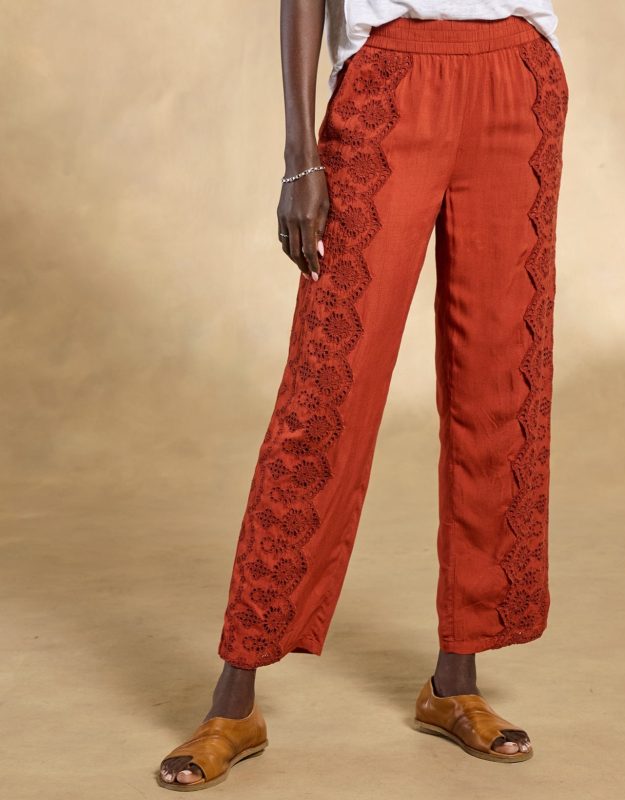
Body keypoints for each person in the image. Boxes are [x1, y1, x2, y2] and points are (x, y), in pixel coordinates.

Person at [158, 0, 568, 789]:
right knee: (326, 393)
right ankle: (234, 699)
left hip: (519, 80)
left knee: (501, 385)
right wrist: (300, 156)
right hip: (391, 78)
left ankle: (456, 683)